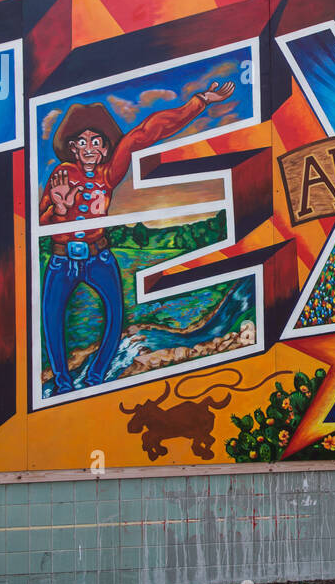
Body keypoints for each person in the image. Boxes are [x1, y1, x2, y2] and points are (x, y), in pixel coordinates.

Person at [40, 80, 235, 394]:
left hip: (98, 256)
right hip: (61, 260)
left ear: (105, 148)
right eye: (82, 142)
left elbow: (145, 133)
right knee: (52, 320)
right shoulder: (61, 173)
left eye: (97, 142)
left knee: (115, 315)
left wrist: (199, 102)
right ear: (73, 147)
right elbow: (39, 221)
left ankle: (95, 378)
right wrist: (58, 209)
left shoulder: (108, 174)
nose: (90, 148)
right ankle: (63, 382)